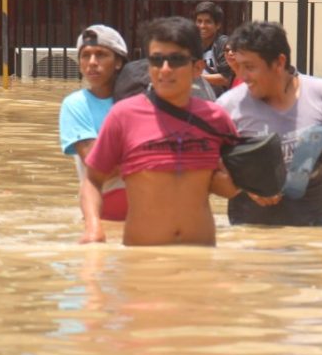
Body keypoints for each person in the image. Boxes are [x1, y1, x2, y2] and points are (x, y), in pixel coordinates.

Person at [83, 16, 239, 246]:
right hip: (141, 260)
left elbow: (231, 188)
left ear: (198, 67)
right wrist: (94, 228)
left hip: (201, 258)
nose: (164, 69)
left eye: (176, 60)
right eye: (157, 60)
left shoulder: (216, 119)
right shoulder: (123, 117)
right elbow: (92, 180)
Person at [217, 20, 322, 227]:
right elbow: (206, 166)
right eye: (239, 66)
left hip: (312, 229)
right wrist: (245, 185)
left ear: (279, 62)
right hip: (249, 234)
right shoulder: (227, 105)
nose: (243, 76)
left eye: (250, 67)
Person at [58, 25, 129, 243]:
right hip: (104, 212)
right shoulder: (75, 105)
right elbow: (98, 165)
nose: (92, 63)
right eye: (85, 56)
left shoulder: (139, 101)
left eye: (101, 55)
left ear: (118, 62)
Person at [194, 1, 234, 96]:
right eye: (199, 21)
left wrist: (195, 78)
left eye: (208, 22)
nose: (202, 26)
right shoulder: (190, 43)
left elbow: (226, 79)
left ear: (218, 25)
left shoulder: (224, 44)